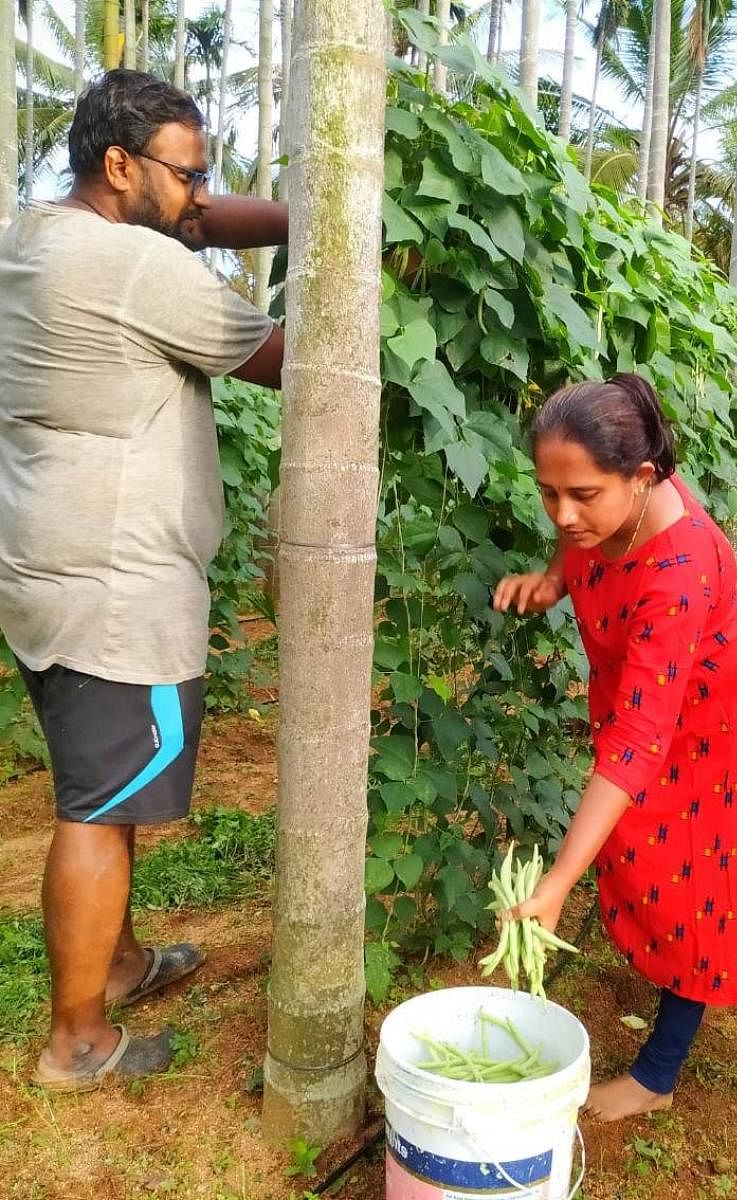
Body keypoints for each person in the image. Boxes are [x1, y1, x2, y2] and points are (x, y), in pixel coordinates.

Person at [0, 70, 287, 1092]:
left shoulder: (40, 234)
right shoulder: (130, 268)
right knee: (96, 806)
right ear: (120, 166)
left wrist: (311, 217)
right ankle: (76, 1041)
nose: (203, 196)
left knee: (103, 791)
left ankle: (116, 968)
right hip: (115, 585)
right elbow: (291, 356)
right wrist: (347, 264)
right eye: (187, 173)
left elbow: (199, 224)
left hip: (48, 570)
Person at [494, 374, 737, 1122]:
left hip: (720, 714)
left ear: (644, 477)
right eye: (547, 492)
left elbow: (636, 738)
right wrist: (556, 579)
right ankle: (660, 964)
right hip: (652, 697)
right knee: (638, 842)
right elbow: (577, 529)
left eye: (582, 495)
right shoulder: (601, 506)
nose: (562, 512)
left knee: (693, 875)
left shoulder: (677, 567)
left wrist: (557, 880)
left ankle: (659, 1070)